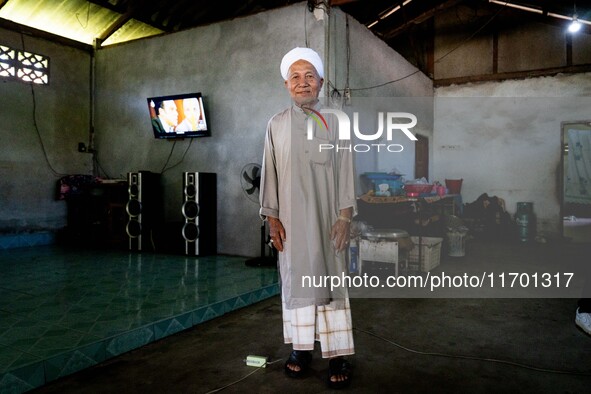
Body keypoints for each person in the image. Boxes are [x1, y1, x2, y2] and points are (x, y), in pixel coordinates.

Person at [259, 47, 357, 389]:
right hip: (290, 224)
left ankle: (337, 355)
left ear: (321, 82)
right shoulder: (275, 125)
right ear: (286, 84)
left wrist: (345, 217)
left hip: (328, 219)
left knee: (332, 286)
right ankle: (301, 350)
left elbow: (346, 170)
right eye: (295, 77)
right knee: (296, 286)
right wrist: (272, 218)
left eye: (309, 76)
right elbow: (269, 174)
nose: (303, 83)